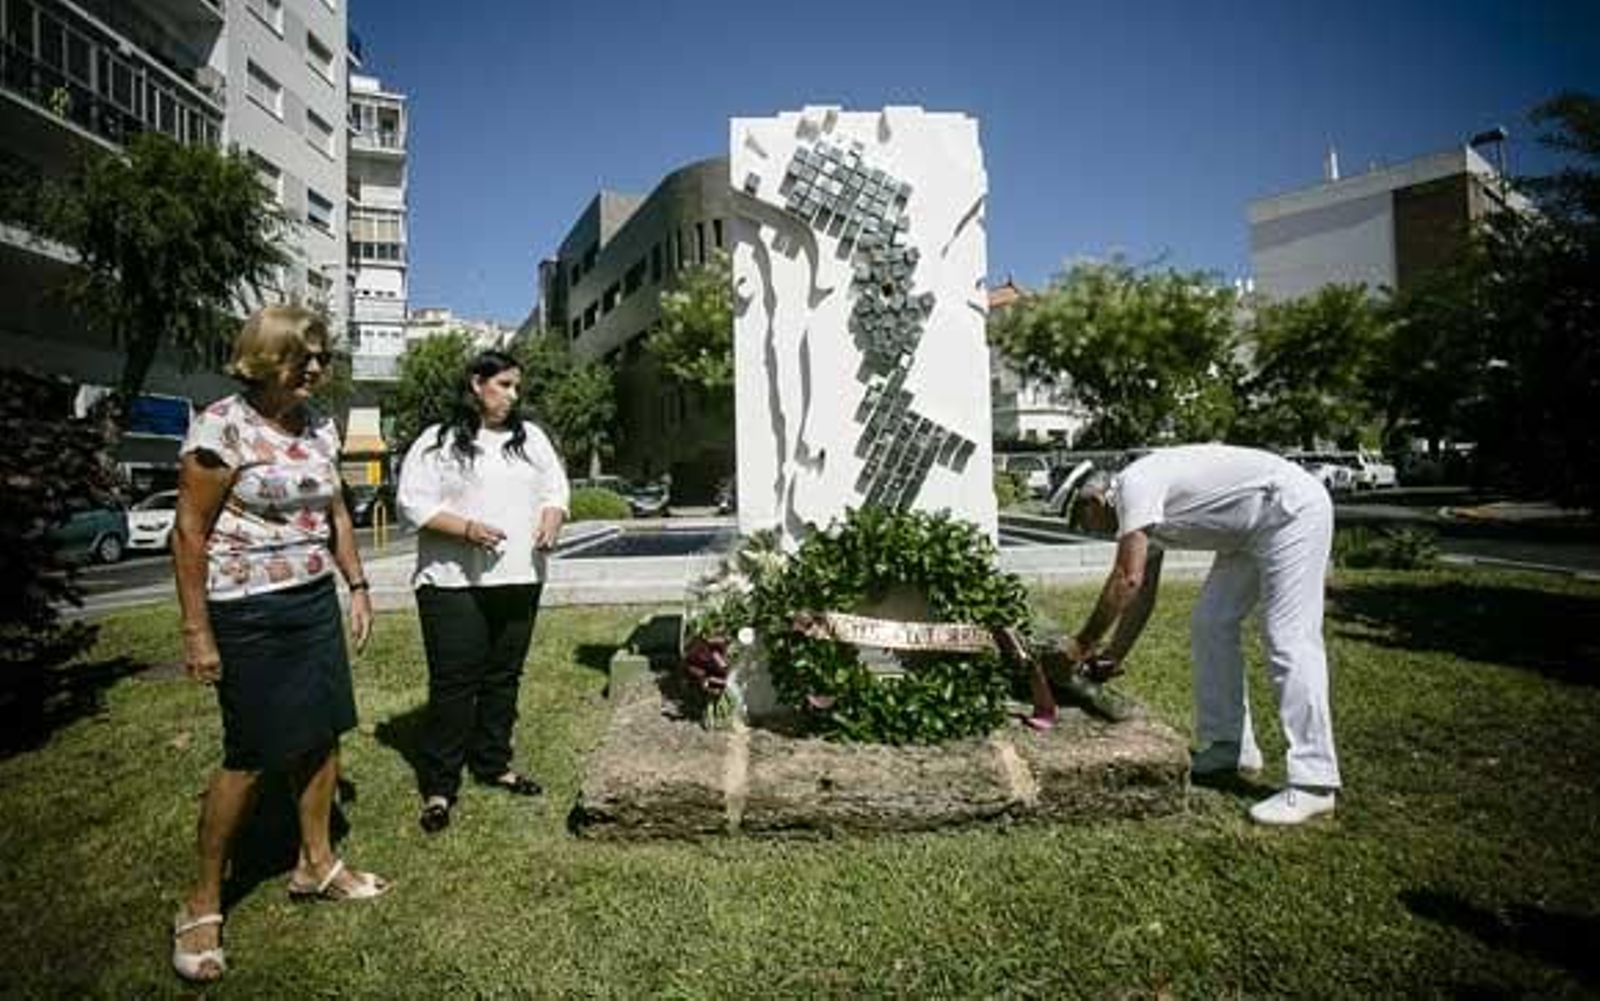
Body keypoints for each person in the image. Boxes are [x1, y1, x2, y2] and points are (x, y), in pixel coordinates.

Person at [170, 306, 387, 985]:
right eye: (304, 357)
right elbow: (188, 531)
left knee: (323, 733)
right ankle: (202, 900)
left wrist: (355, 583)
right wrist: (197, 629)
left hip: (310, 597)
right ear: (265, 359)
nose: (317, 368)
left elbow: (336, 510)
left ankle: (315, 862)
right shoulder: (221, 425)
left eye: (322, 356)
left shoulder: (321, 425)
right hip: (246, 608)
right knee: (253, 751)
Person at [1062, 443, 1341, 826]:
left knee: (1288, 637)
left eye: (1082, 521)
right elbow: (1141, 596)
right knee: (1210, 623)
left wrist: (1081, 644)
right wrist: (1113, 656)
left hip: (1290, 511)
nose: (1088, 531)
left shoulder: (1134, 486)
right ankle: (1231, 747)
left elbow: (1127, 579)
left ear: (1094, 499)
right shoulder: (1143, 515)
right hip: (1248, 532)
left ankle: (1315, 782)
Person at [397, 349, 570, 834]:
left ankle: (493, 763)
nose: (514, 396)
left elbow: (556, 489)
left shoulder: (530, 439)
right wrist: (467, 528)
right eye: (506, 385)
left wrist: (553, 518)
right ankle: (439, 786)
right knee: (455, 683)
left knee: (503, 677)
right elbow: (412, 503)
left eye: (517, 387)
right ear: (477, 383)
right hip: (454, 583)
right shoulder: (437, 441)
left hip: (520, 577)